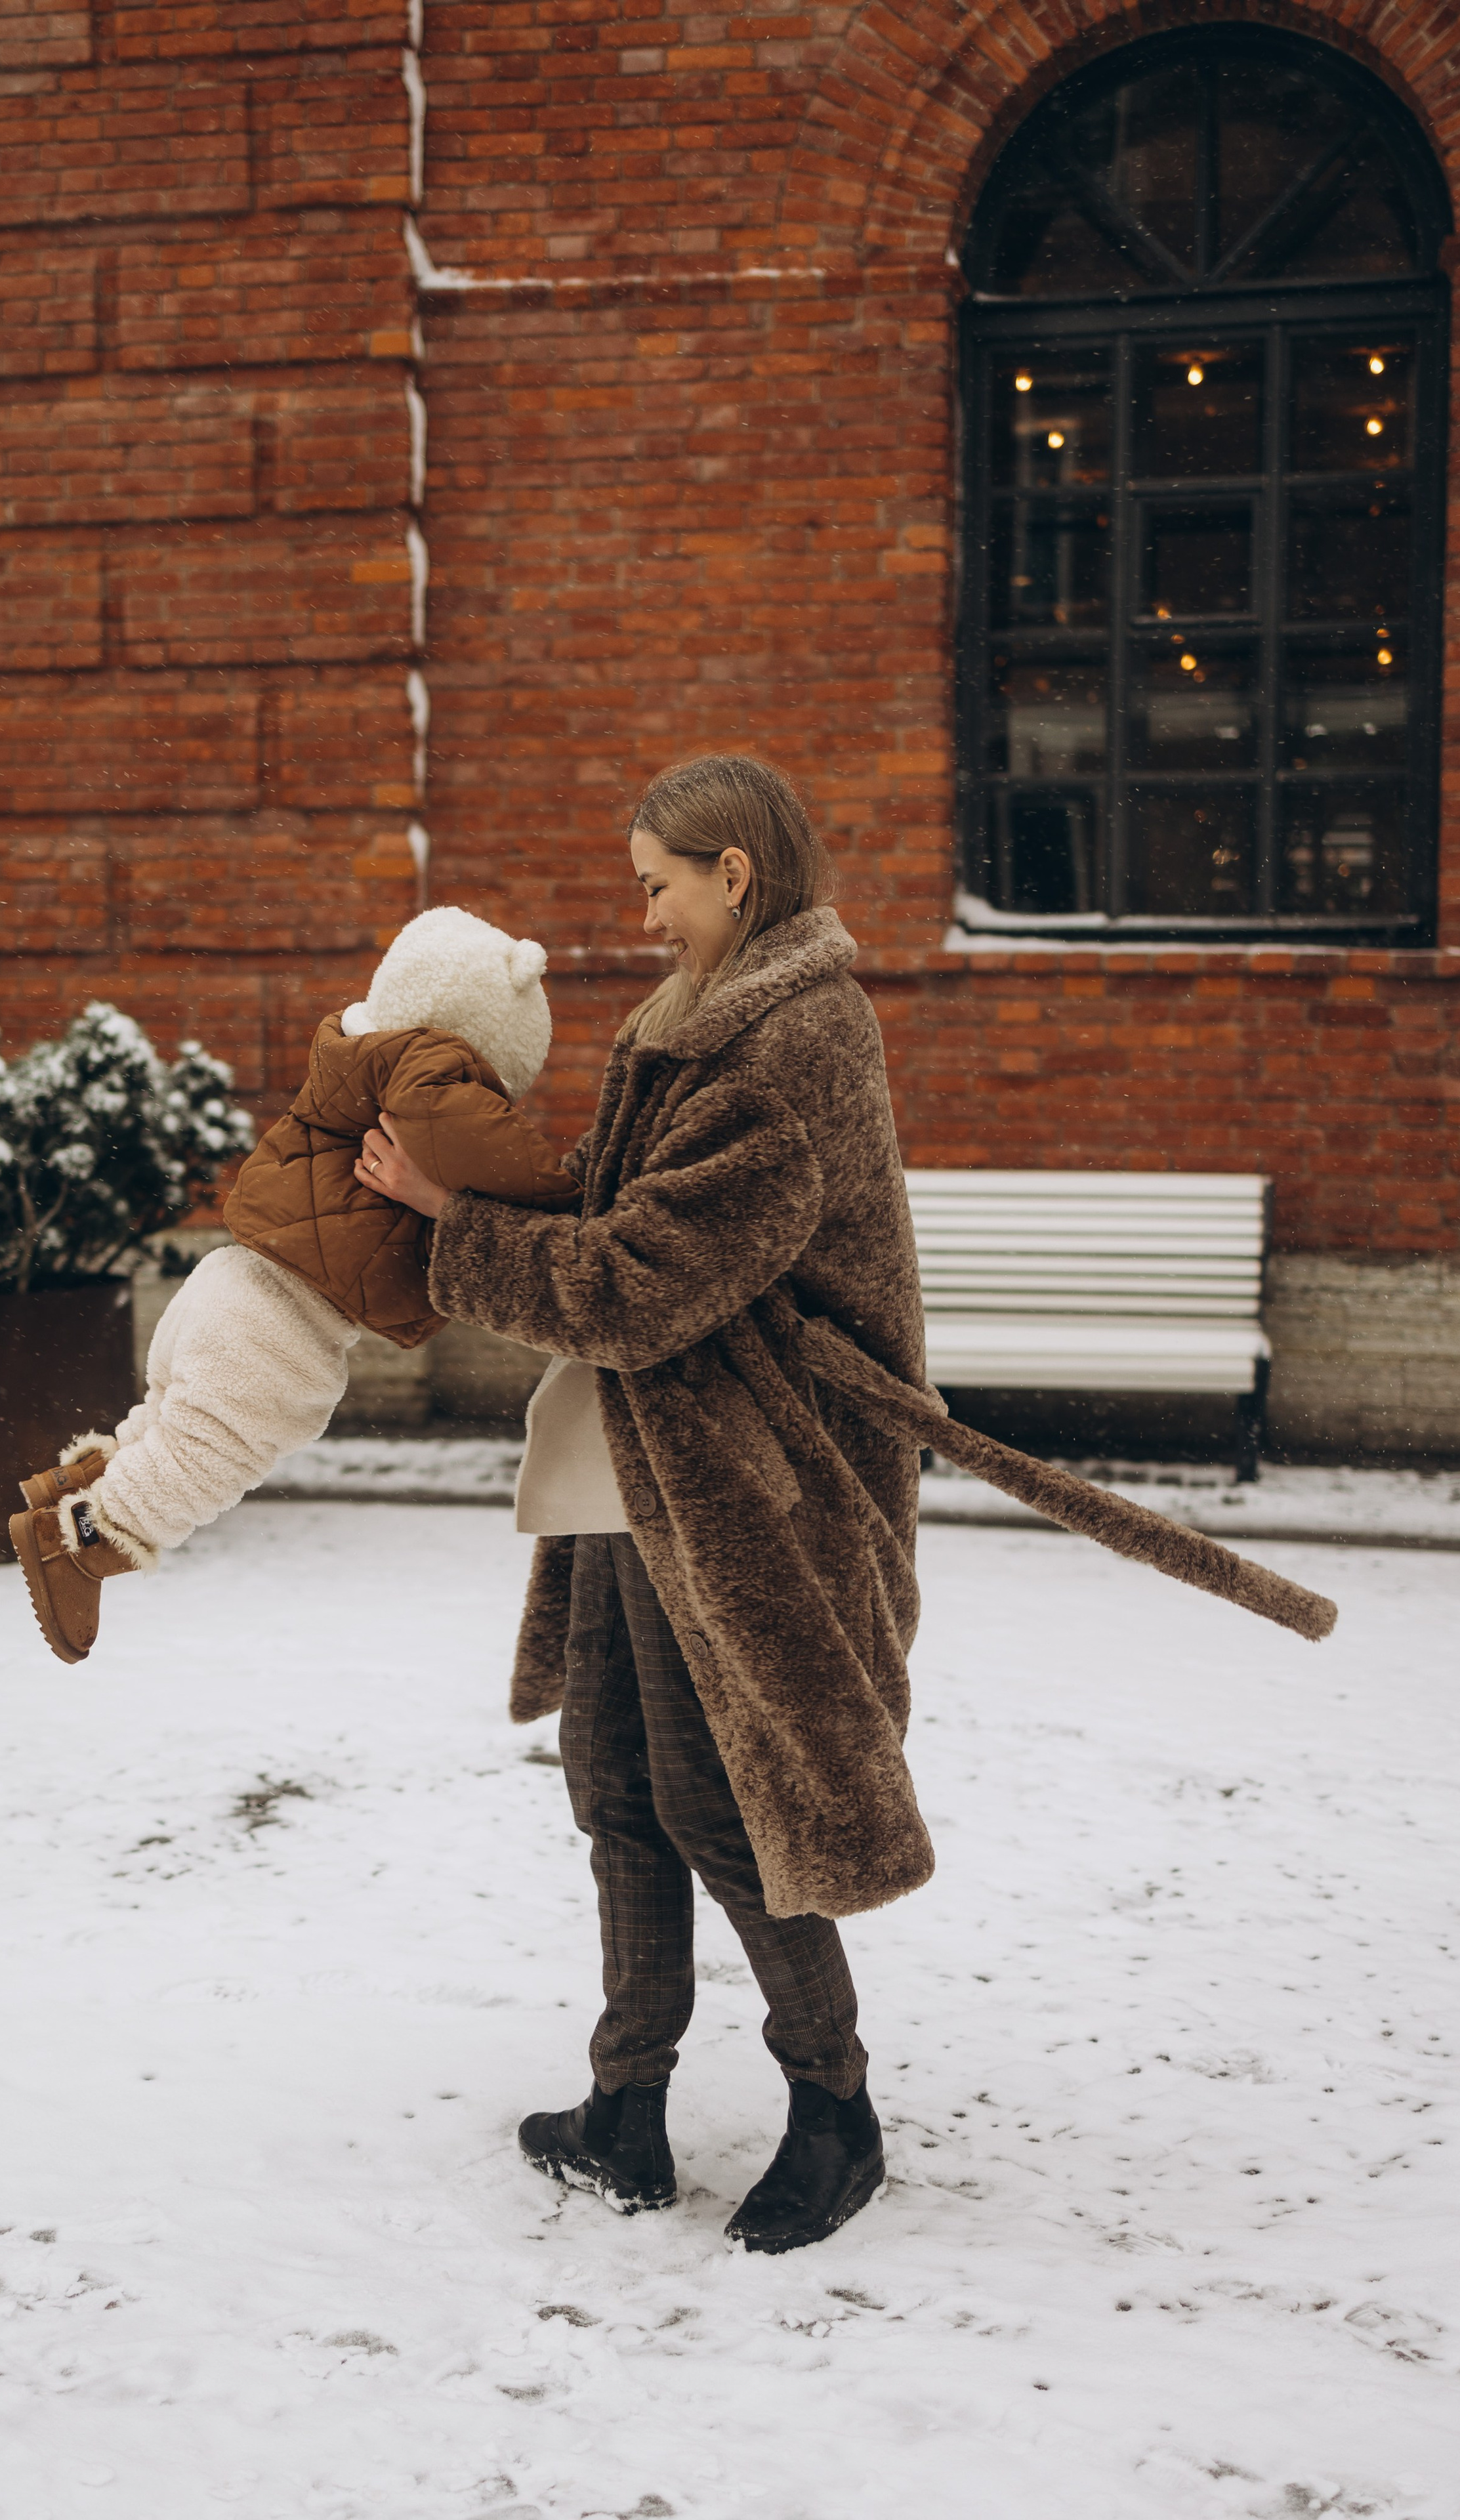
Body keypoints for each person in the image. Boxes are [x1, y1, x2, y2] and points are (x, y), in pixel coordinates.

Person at [357, 755, 936, 2256]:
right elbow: (612, 1231)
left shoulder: (792, 1039)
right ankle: (625, 2109)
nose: (642, 912)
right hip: (642, 1465)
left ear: (731, 874)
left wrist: (448, 1224)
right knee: (614, 1783)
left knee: (725, 1802)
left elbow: (638, 1279)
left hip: (749, 1484)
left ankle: (835, 2109)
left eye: (656, 882)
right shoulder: (687, 1025)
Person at [9, 908, 576, 1664]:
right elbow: (479, 1138)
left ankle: (80, 1481)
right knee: (220, 1441)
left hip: (238, 1278)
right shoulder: (433, 1068)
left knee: (180, 1416)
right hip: (279, 1311)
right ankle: (84, 1542)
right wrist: (563, 1195)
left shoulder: (362, 1048)